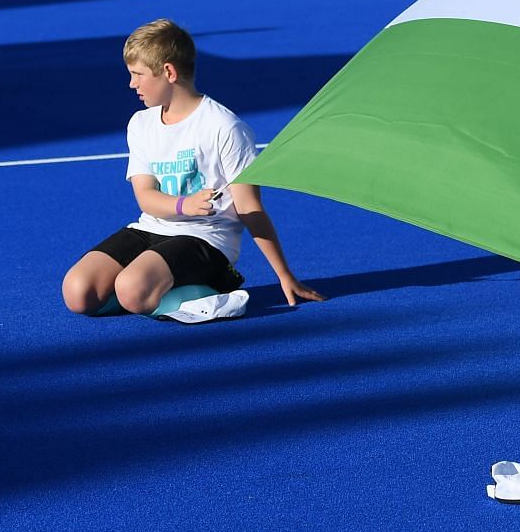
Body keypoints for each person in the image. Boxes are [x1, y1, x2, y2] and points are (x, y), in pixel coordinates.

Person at [60, 19, 324, 322]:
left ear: (169, 72)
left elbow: (249, 206)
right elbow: (146, 197)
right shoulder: (141, 124)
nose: (132, 84)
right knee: (79, 292)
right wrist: (185, 204)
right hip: (152, 228)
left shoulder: (225, 127)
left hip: (207, 240)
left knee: (132, 288)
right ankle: (150, 296)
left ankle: (217, 289)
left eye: (138, 75)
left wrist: (284, 274)